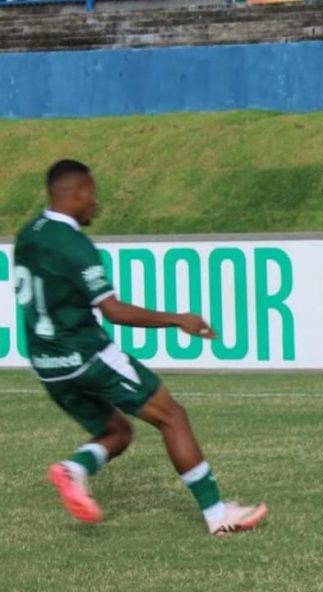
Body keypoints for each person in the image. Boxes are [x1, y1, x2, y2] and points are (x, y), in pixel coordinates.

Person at [13, 159, 268, 535]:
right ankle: (218, 515)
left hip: (48, 364)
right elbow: (113, 311)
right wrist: (179, 319)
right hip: (87, 355)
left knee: (117, 432)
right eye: (92, 196)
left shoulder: (28, 233)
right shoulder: (74, 244)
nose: (95, 205)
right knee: (172, 416)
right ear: (76, 192)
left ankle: (75, 469)